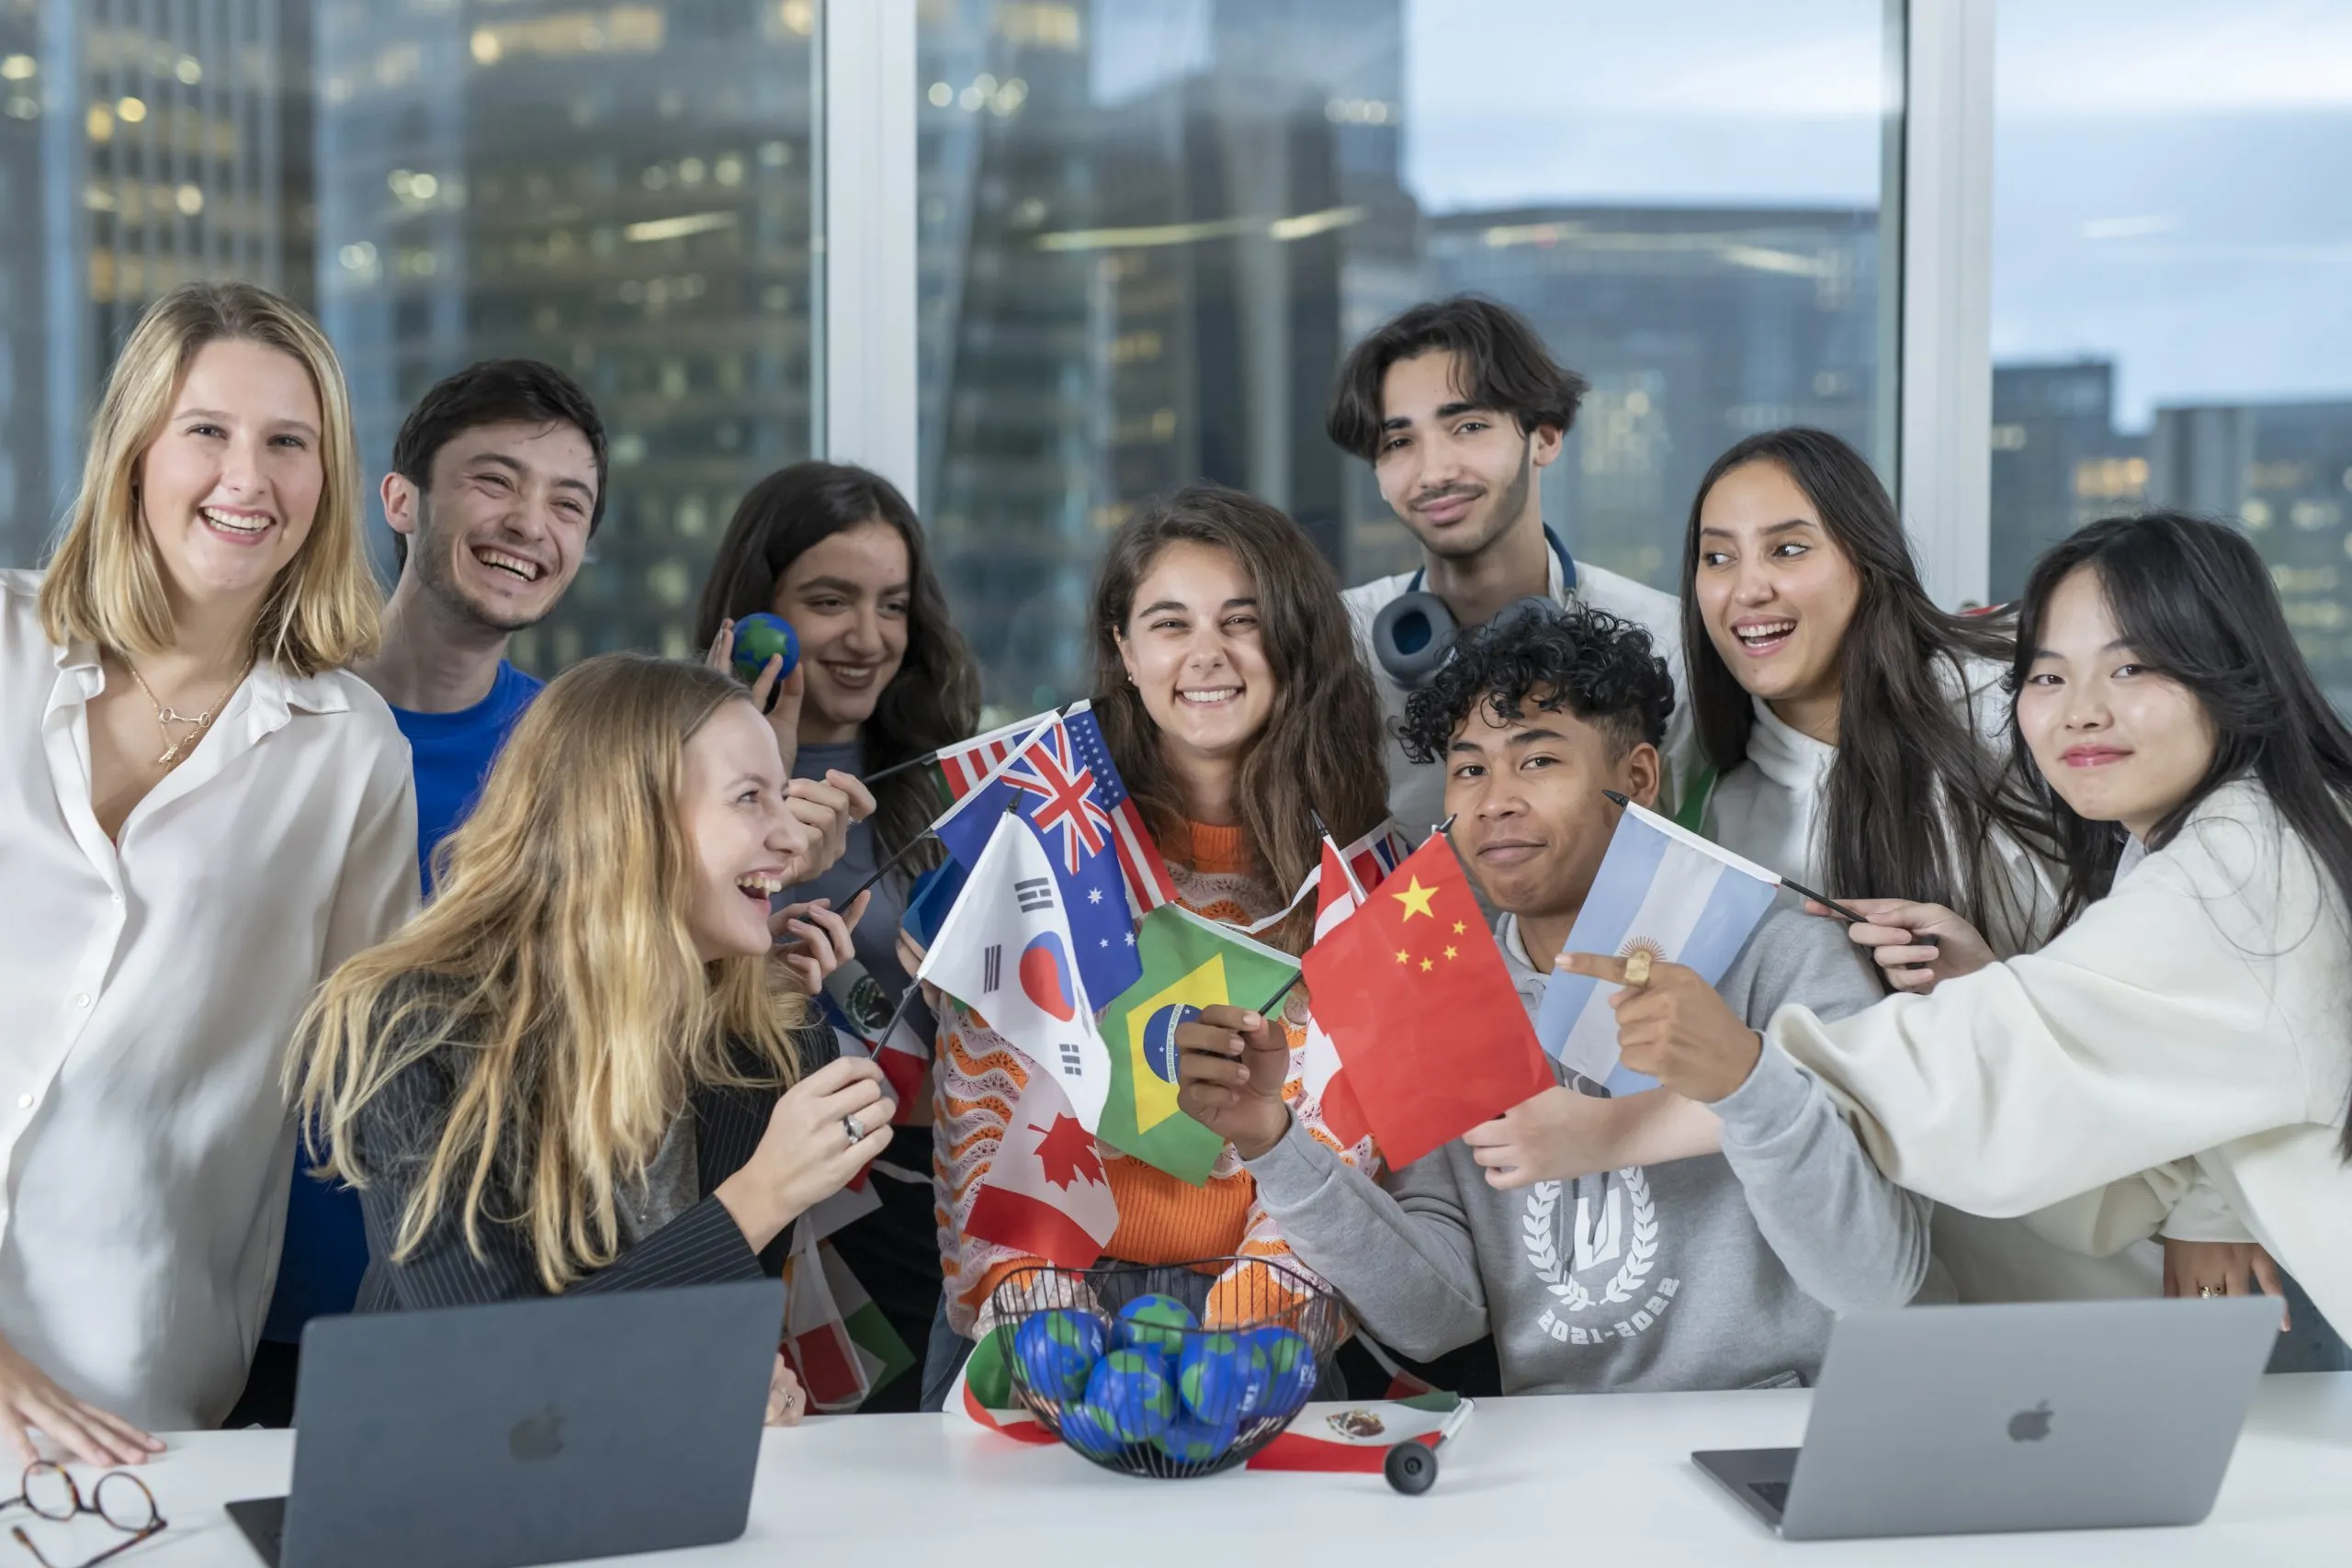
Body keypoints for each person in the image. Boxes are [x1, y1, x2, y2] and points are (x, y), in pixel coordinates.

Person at [1580, 513, 2352, 1348]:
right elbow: (2134, 1127)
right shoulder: (2216, 838)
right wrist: (1992, 989)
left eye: (2132, 667)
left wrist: (1717, 1083)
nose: (2081, 713)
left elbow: (1991, 1063)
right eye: (2049, 677)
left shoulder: (2240, 863)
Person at [1178, 604, 1937, 1395]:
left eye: (1537, 761)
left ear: (1639, 779)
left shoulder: (1783, 953)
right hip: (1557, 1461)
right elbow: (1441, 1317)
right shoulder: (1434, 990)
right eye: (1470, 768)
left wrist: (1739, 1082)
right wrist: (1273, 1142)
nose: (1495, 799)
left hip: (1780, 1435)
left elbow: (1879, 1278)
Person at [1674, 431, 2242, 1308]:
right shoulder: (1718, 813)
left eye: (1788, 548)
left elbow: (2213, 947)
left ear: (1866, 559)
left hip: (2108, 1256)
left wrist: (2219, 1207)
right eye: (1718, 558)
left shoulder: (2014, 712)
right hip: (1893, 1316)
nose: (1750, 587)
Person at [0, 280, 416, 1455]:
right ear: (134, 451)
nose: (249, 479)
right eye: (208, 432)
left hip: (124, 1393)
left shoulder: (348, 752)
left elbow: (388, 1076)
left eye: (290, 442)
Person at [292, 654, 894, 1427]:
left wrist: (729, 1372)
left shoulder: (773, 1041)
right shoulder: (413, 1028)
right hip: (432, 1484)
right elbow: (492, 1361)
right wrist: (760, 1196)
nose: (791, 836)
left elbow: (700, 1337)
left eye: (783, 793)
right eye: (750, 798)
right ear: (627, 821)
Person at [925, 484, 1394, 1406]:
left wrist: (1240, 1340)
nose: (1206, 655)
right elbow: (977, 1117)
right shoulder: (1044, 839)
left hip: (1260, 1327)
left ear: (1292, 642)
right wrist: (1054, 1338)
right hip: (1044, 1320)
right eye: (1170, 623)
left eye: (1242, 621)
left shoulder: (1357, 872)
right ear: (1123, 650)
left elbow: (1351, 1140)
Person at [241, 358, 610, 1425]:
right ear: (401, 501)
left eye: (567, 503)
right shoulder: (267, 720)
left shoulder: (573, 758)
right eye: (494, 481)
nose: (530, 523)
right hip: (239, 1292)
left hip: (468, 1295)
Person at [692, 461, 981, 1410]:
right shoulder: (662, 767)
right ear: (757, 614)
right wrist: (750, 791)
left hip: (909, 1207)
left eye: (892, 606)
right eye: (828, 601)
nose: (867, 639)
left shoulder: (945, 787)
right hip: (730, 1196)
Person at [1328, 295, 1693, 837]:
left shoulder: (1668, 640)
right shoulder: (1335, 642)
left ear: (1544, 438)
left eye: (1468, 427)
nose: (1434, 471)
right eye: (1399, 441)